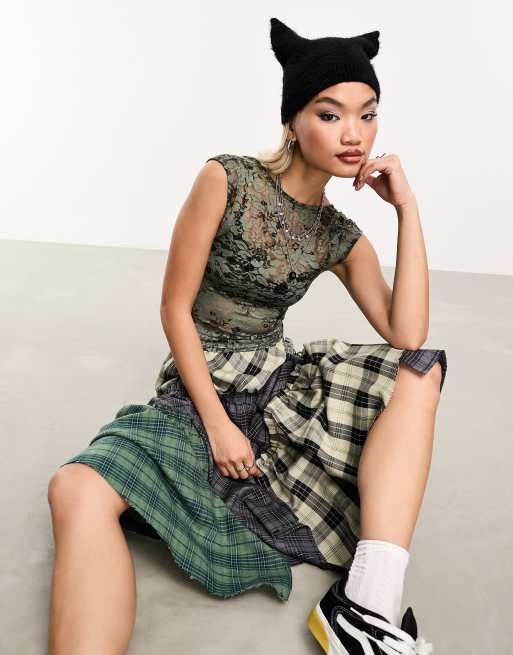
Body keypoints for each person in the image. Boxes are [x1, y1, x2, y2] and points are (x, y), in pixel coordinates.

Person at [46, 17, 445, 655]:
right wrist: (217, 425)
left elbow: (408, 331)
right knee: (76, 487)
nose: (353, 133)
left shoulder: (337, 234)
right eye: (330, 114)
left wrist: (407, 208)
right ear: (293, 121)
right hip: (199, 385)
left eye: (367, 115)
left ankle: (367, 607)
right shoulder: (227, 179)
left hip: (276, 384)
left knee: (419, 369)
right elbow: (175, 308)